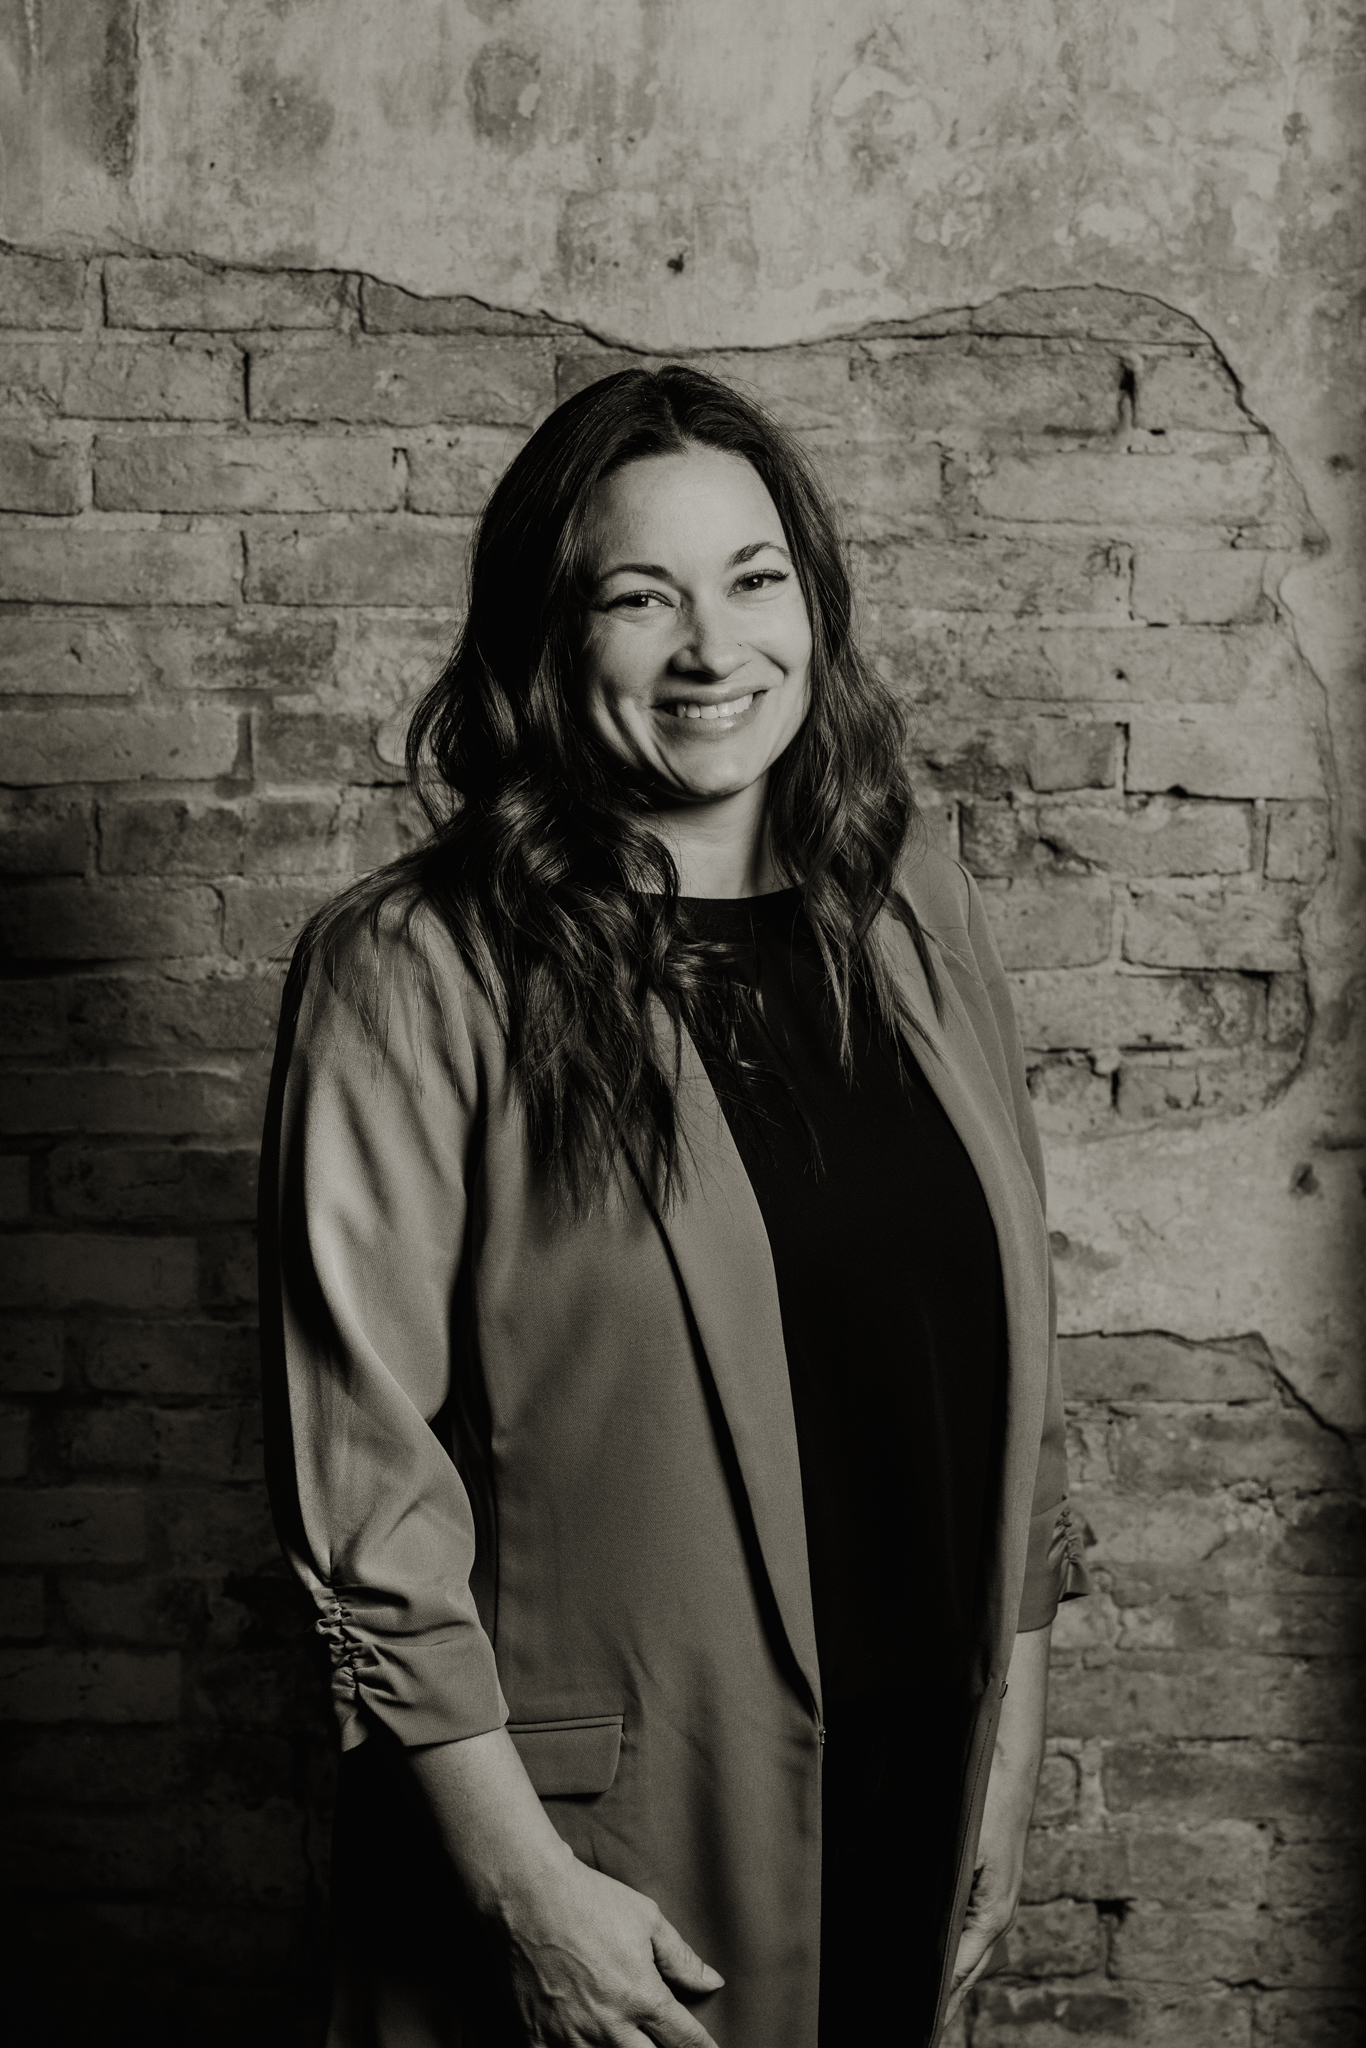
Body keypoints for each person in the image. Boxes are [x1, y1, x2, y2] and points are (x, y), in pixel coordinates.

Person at [258, 363, 1089, 2048]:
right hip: (606, 1853)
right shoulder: (417, 968)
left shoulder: (909, 912)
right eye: (642, 598)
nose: (715, 651)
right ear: (551, 643)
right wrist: (525, 1891)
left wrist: (1005, 1770)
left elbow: (1013, 1375)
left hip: (916, 1791)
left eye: (754, 580)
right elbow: (369, 1502)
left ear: (813, 604)